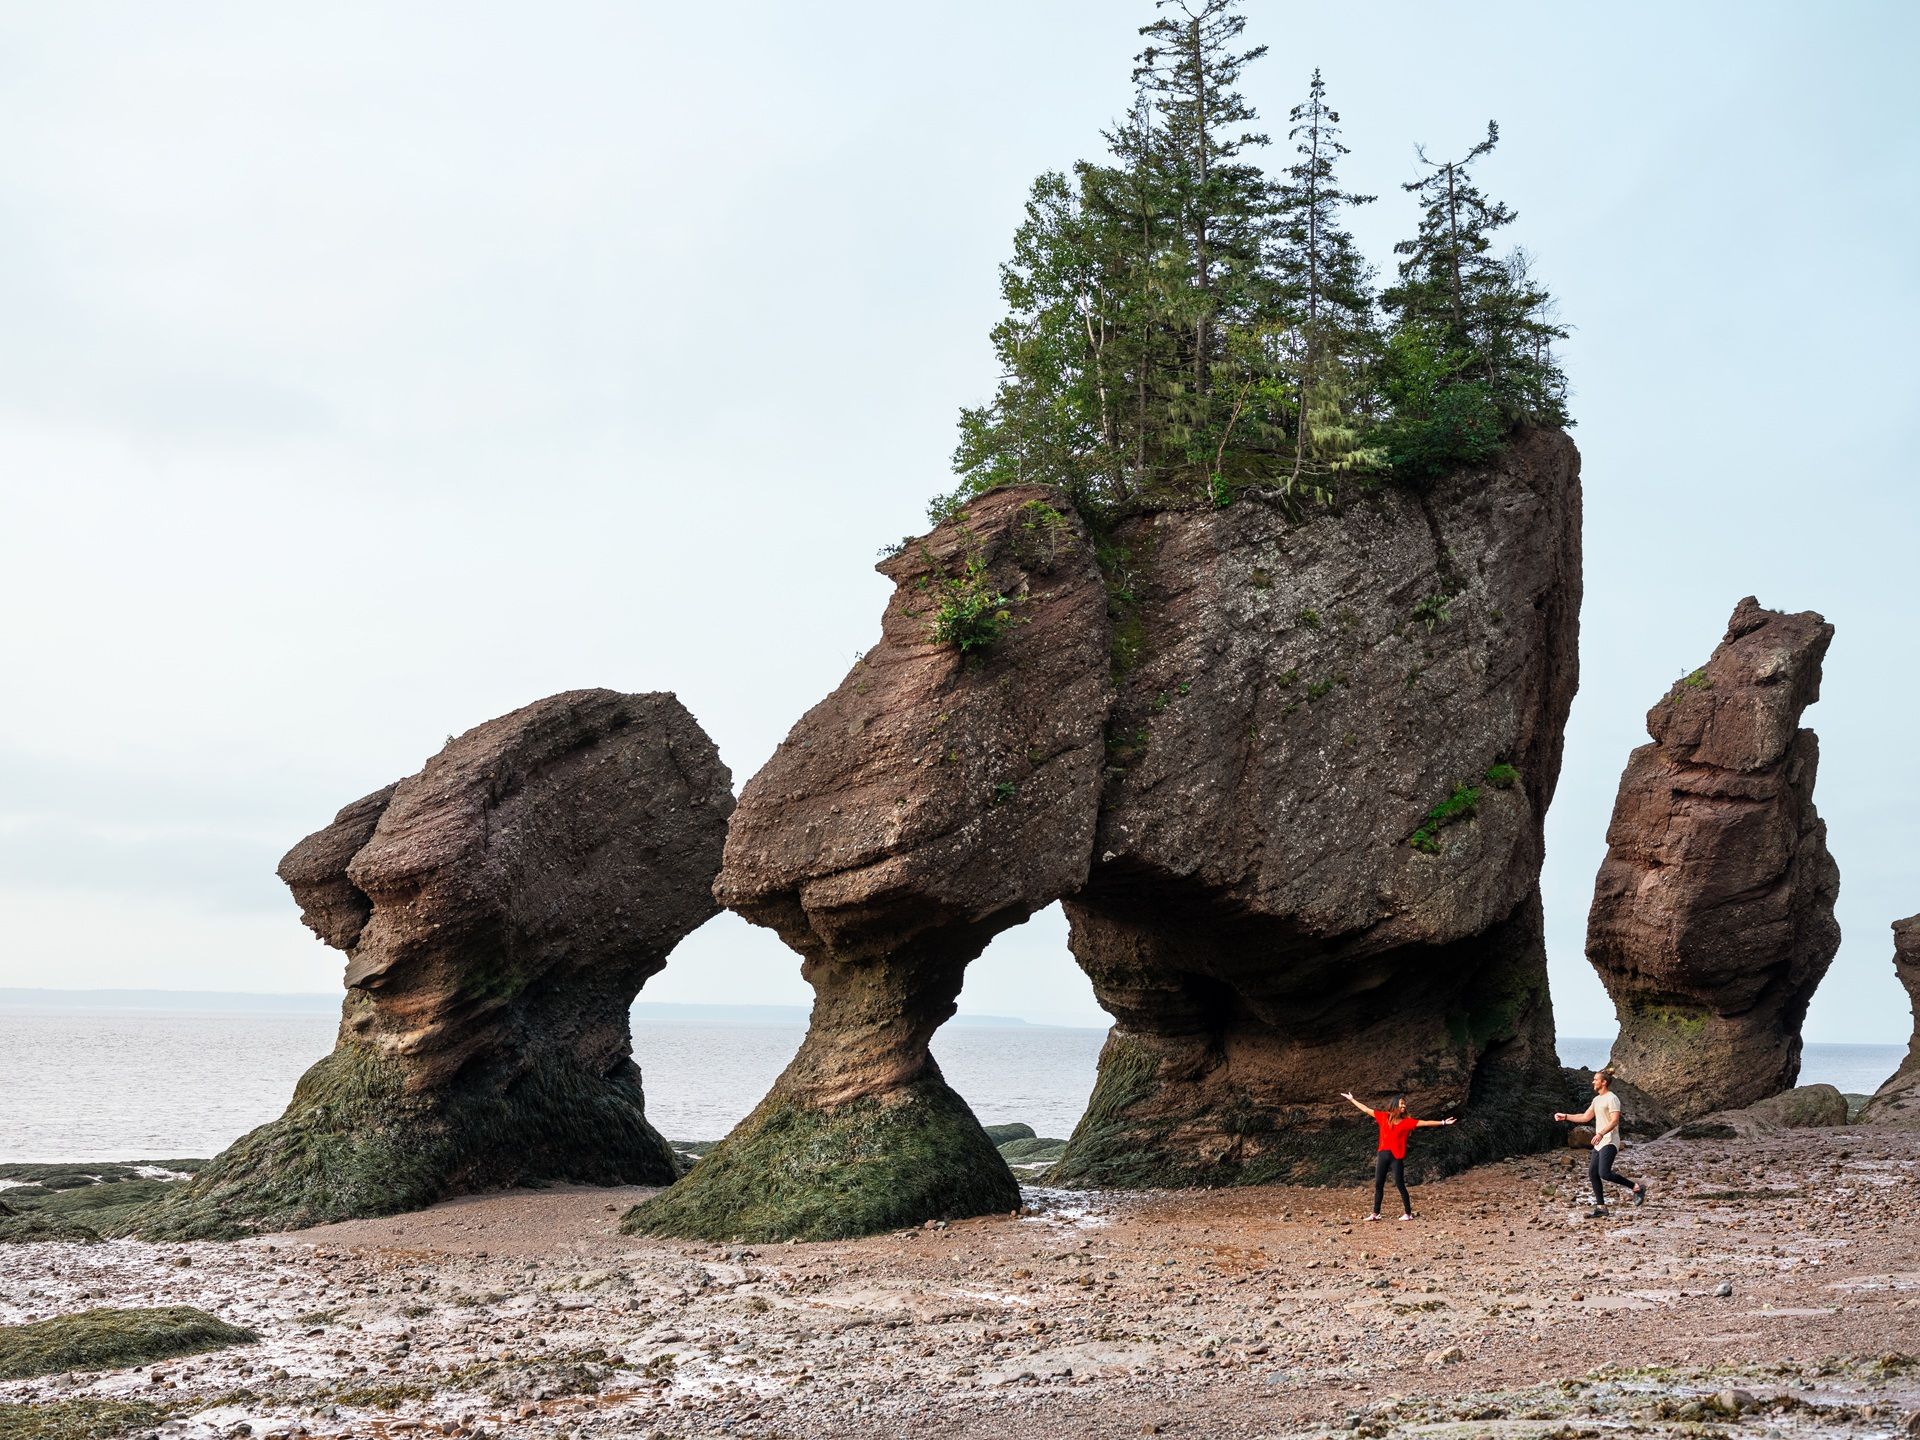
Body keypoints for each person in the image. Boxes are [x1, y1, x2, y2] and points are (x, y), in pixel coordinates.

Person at [1339, 1090, 1455, 1221]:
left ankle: (1408, 1214)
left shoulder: (1407, 1122)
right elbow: (1366, 1109)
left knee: (1400, 1184)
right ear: (1395, 1105)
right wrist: (1352, 1099)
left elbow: (1425, 1122)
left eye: (1405, 1105)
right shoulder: (1383, 1117)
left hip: (1397, 1157)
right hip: (1383, 1155)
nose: (1404, 1106)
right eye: (1401, 1104)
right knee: (1378, 1184)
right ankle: (1375, 1214)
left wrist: (1443, 1122)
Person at [1554, 1068, 1647, 1218]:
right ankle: (1601, 1207)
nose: (1593, 1082)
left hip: (1609, 1140)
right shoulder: (1597, 1100)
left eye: (1595, 1079)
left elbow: (1615, 1121)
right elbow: (1585, 1117)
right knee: (1592, 1173)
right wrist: (1565, 1116)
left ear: (1603, 1082)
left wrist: (1601, 1133)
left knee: (1604, 1173)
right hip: (1599, 1141)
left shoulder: (1612, 1098)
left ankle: (1636, 1187)